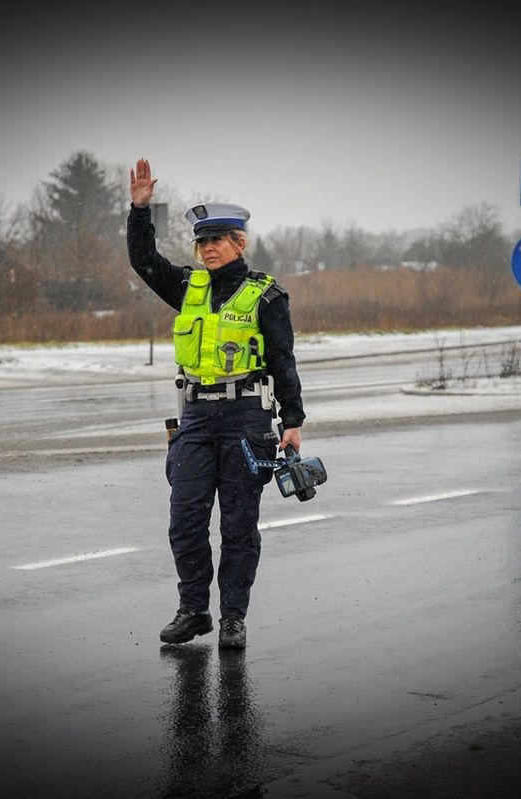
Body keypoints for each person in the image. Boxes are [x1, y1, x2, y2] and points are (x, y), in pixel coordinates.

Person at [127, 158, 305, 650]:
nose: (207, 249)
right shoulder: (188, 288)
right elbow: (144, 262)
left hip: (248, 418)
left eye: (217, 240)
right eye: (202, 242)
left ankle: (232, 618)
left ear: (239, 243)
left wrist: (293, 421)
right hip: (197, 417)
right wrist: (139, 210)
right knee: (184, 517)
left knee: (238, 524)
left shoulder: (266, 296)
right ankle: (193, 610)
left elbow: (284, 360)